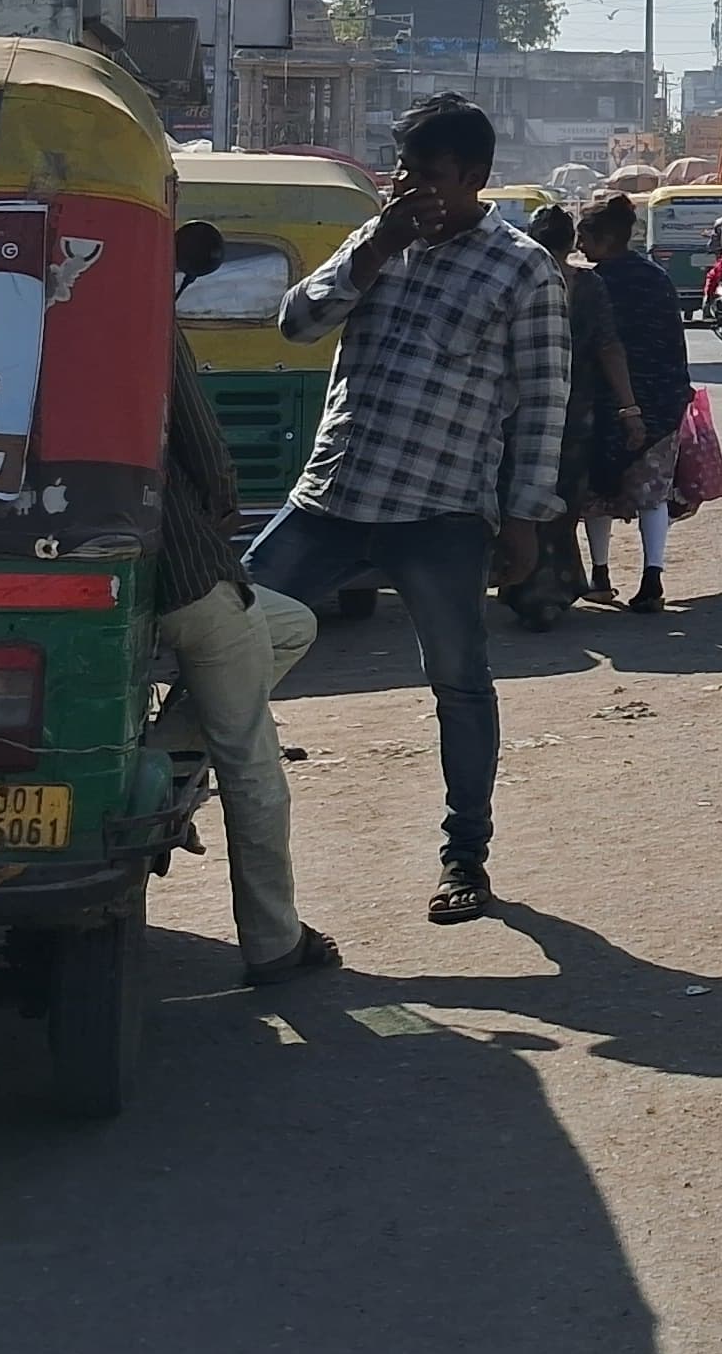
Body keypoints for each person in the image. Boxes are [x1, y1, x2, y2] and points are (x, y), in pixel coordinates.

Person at [249, 95, 569, 926]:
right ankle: (172, 813)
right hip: (335, 494)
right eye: (403, 171)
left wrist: (526, 520)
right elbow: (295, 324)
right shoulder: (380, 238)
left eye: (426, 176)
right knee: (228, 640)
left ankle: (465, 858)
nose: (409, 188)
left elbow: (541, 404)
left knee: (459, 684)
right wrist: (374, 249)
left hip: (442, 512)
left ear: (473, 178)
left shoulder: (522, 268)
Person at [153, 223, 334, 985]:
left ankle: (158, 770)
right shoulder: (140, 321)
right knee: (252, 758)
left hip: (101, 577)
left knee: (289, 622)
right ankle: (272, 942)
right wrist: (221, 506)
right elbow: (203, 445)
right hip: (180, 571)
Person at [521, 202, 645, 620]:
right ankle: (554, 582)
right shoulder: (589, 286)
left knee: (522, 496)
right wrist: (630, 409)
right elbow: (611, 348)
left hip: (519, 411)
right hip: (576, 411)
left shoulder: (519, 281)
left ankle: (532, 581)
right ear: (570, 242)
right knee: (565, 500)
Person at [576, 189, 693, 615]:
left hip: (609, 403)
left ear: (603, 238)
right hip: (662, 402)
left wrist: (624, 406)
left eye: (584, 237)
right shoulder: (657, 277)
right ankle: (651, 580)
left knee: (595, 492)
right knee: (652, 494)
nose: (578, 247)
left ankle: (601, 575)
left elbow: (600, 348)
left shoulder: (594, 284)